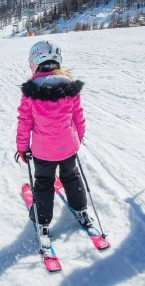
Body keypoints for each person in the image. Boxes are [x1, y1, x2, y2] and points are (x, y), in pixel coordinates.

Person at [16, 40, 91, 248]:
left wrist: (22, 147)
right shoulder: (69, 86)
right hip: (68, 148)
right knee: (71, 175)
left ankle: (43, 223)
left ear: (35, 63)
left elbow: (24, 123)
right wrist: (79, 138)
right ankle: (81, 209)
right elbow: (79, 117)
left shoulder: (30, 91)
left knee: (43, 183)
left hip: (43, 152)